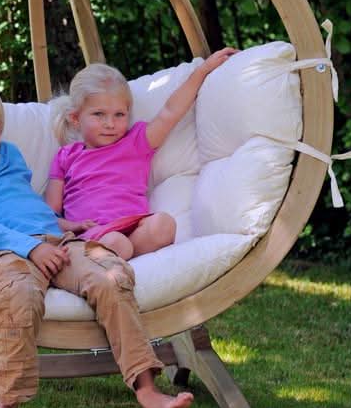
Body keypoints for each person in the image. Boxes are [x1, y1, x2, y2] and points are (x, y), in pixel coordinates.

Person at [0, 78, 193, 408]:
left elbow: (28, 204)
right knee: (18, 298)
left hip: (60, 240)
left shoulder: (9, 154)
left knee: (111, 278)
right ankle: (7, 399)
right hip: (9, 252)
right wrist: (32, 247)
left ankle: (146, 389)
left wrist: (65, 226)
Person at [46, 51, 237, 261]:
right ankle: (108, 255)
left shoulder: (136, 141)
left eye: (119, 114)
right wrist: (71, 227)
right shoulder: (66, 156)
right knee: (115, 242)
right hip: (89, 234)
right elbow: (49, 213)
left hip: (133, 227)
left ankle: (119, 256)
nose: (110, 123)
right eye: (99, 114)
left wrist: (203, 70)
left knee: (164, 224)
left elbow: (170, 112)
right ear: (75, 118)